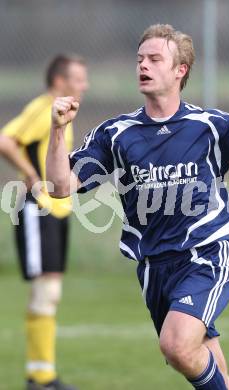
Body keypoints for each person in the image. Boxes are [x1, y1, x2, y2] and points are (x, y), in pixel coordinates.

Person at [46, 24, 229, 390]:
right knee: (212, 372)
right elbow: (61, 186)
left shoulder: (208, 126)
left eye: (155, 58)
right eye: (140, 59)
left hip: (205, 256)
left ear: (180, 70)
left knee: (176, 346)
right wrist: (56, 130)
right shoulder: (116, 133)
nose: (143, 65)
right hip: (154, 269)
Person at [0, 54, 89, 390]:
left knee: (50, 291)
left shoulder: (61, 111)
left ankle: (42, 375)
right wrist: (31, 176)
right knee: (45, 291)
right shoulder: (44, 108)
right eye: (79, 78)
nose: (85, 85)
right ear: (60, 81)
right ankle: (40, 377)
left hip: (56, 209)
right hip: (38, 208)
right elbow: (5, 139)